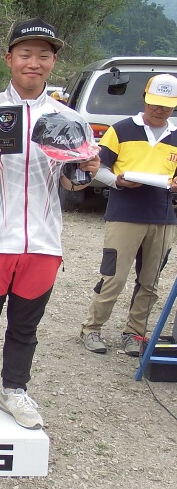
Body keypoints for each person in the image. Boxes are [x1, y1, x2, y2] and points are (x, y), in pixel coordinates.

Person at [0, 18, 99, 429]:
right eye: (25, 54)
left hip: (42, 240)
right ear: (9, 59)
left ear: (53, 62)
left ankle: (15, 391)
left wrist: (87, 167)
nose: (33, 62)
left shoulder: (69, 120)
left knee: (25, 326)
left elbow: (74, 181)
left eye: (43, 55)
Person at [79, 74, 177, 356]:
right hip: (124, 214)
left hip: (162, 215)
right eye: (156, 104)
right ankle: (92, 328)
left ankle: (135, 334)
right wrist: (118, 182)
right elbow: (96, 167)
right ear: (145, 99)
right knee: (114, 276)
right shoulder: (121, 129)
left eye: (167, 106)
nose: (160, 110)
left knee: (150, 281)